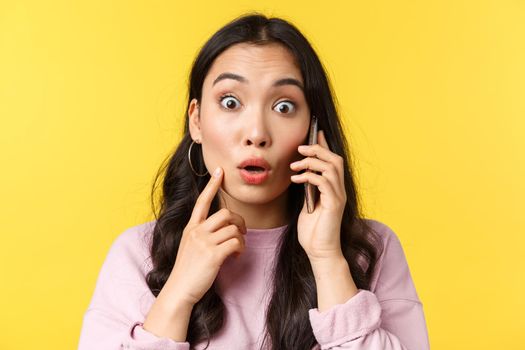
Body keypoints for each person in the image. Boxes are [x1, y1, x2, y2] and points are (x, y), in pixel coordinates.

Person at [78, 13, 430, 350]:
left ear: (314, 128)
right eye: (230, 102)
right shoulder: (139, 253)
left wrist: (327, 260)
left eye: (284, 107)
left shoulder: (372, 248)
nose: (257, 134)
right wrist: (177, 293)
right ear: (196, 121)